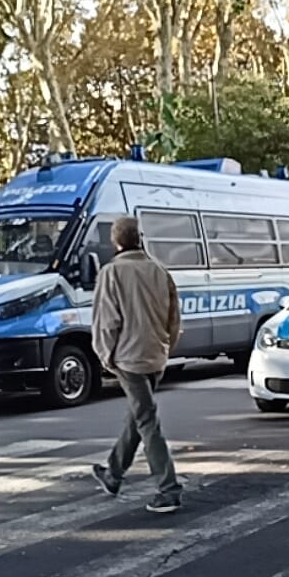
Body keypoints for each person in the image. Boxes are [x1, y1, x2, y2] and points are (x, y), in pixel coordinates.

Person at [90, 217, 185, 514]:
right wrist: (166, 347)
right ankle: (113, 474)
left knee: (146, 420)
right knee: (139, 415)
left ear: (115, 241)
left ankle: (168, 489)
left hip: (128, 357)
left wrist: (105, 356)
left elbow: (107, 322)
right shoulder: (159, 270)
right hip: (155, 354)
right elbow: (174, 317)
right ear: (139, 238)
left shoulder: (111, 272)